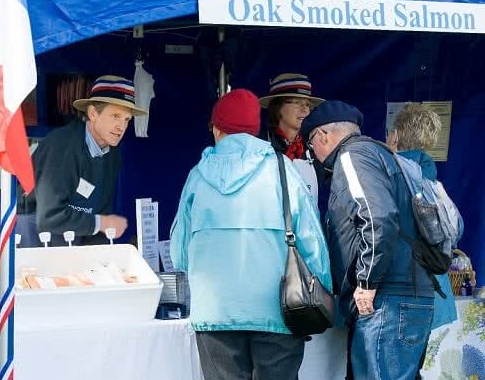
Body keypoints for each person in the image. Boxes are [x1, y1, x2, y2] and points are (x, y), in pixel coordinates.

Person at [170, 89, 332, 380]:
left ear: (217, 128)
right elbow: (312, 240)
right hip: (279, 310)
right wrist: (323, 290)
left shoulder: (197, 175)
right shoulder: (282, 169)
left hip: (215, 313)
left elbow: (179, 250)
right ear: (254, 129)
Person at [301, 101, 435, 380]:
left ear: (323, 136)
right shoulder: (383, 156)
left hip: (387, 300)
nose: (312, 153)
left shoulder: (353, 156)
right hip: (405, 296)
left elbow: (378, 217)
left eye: (311, 143)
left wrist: (366, 282)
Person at [18, 75, 147, 246]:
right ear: (93, 113)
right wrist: (101, 223)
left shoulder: (112, 152)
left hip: (72, 241)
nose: (121, 127)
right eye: (115, 116)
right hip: (32, 239)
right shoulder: (62, 146)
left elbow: (101, 211)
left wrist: (102, 264)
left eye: (126, 119)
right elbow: (49, 216)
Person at [387, 103, 457, 379]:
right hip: (432, 291)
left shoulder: (389, 173)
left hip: (398, 290)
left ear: (396, 133)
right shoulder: (432, 180)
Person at [259, 73, 327, 213]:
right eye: (297, 103)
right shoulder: (260, 147)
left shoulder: (316, 149)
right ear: (278, 108)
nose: (305, 110)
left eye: (308, 105)